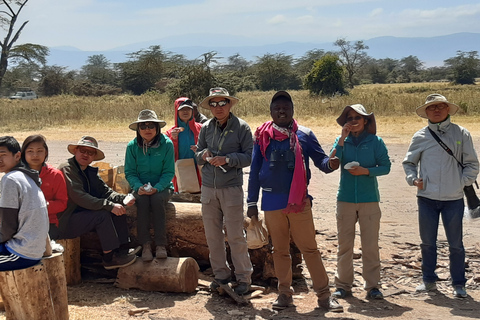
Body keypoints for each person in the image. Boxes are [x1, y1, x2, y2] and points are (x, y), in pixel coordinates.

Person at [246, 91, 343, 312]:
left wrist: (332, 164)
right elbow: (254, 172)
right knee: (279, 251)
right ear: (271, 112)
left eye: (285, 108)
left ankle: (324, 296)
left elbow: (322, 162)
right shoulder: (262, 136)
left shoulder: (305, 135)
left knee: (310, 249)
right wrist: (251, 203)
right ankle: (284, 294)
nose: (281, 111)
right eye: (277, 108)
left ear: (292, 111)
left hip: (299, 202)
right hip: (271, 202)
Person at [403, 94, 479, 298]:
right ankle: (428, 281)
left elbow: (472, 164)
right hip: (426, 198)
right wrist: (413, 179)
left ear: (448, 109)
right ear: (426, 112)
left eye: (441, 106)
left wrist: (460, 183)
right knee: (427, 242)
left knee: (456, 244)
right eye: (432, 107)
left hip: (453, 199)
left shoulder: (461, 134)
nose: (436, 110)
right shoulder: (420, 136)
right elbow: (409, 163)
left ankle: (459, 284)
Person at [195, 87, 253, 295]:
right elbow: (197, 152)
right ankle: (221, 276)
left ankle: (244, 278)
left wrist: (227, 160)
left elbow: (249, 157)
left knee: (236, 234)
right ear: (209, 107)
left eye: (222, 103)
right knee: (212, 236)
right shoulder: (206, 128)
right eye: (214, 104)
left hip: (231, 188)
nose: (218, 108)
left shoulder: (242, 128)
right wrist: (204, 155)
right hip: (209, 188)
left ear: (229, 104)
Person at [331, 104, 391, 300]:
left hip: (369, 199)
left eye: (358, 117)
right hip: (345, 198)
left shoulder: (376, 142)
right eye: (350, 117)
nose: (354, 121)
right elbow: (332, 162)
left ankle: (373, 286)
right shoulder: (341, 142)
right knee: (344, 245)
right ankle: (342, 286)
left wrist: (366, 171)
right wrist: (341, 139)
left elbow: (386, 167)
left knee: (370, 245)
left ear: (366, 121)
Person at [57, 136, 137, 269]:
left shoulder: (89, 171)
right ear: (76, 150)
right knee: (103, 215)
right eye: (83, 150)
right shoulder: (67, 168)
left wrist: (123, 199)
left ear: (94, 157)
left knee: (118, 210)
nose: (86, 155)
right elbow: (79, 197)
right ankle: (109, 258)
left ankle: (122, 250)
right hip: (65, 220)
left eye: (90, 152)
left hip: (82, 214)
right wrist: (109, 206)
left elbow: (105, 192)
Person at [125, 110, 175, 261]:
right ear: (138, 130)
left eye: (151, 126)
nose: (147, 130)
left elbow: (169, 172)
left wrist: (158, 187)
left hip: (163, 187)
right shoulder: (132, 146)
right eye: (143, 126)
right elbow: (130, 172)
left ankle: (161, 244)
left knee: (156, 199)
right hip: (140, 187)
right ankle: (145, 244)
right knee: (142, 201)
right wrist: (138, 186)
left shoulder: (167, 144)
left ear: (157, 128)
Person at [0, 136, 48, 271]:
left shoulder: (10, 179)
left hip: (21, 252)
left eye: (3, 155)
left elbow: (8, 227)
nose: (0, 160)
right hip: (31, 246)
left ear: (17, 156)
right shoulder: (25, 176)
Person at [21, 135, 68, 240]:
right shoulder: (17, 175)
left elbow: (62, 203)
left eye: (39, 151)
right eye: (30, 151)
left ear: (46, 152)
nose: (35, 155)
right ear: (23, 154)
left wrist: (42, 205)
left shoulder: (56, 175)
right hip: (21, 222)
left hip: (47, 222)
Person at [165, 98, 203, 193]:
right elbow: (167, 157)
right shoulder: (169, 133)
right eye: (182, 109)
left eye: (188, 109)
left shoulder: (202, 128)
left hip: (199, 172)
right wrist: (173, 140)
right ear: (176, 111)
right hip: (180, 173)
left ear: (192, 111)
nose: (185, 112)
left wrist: (201, 150)